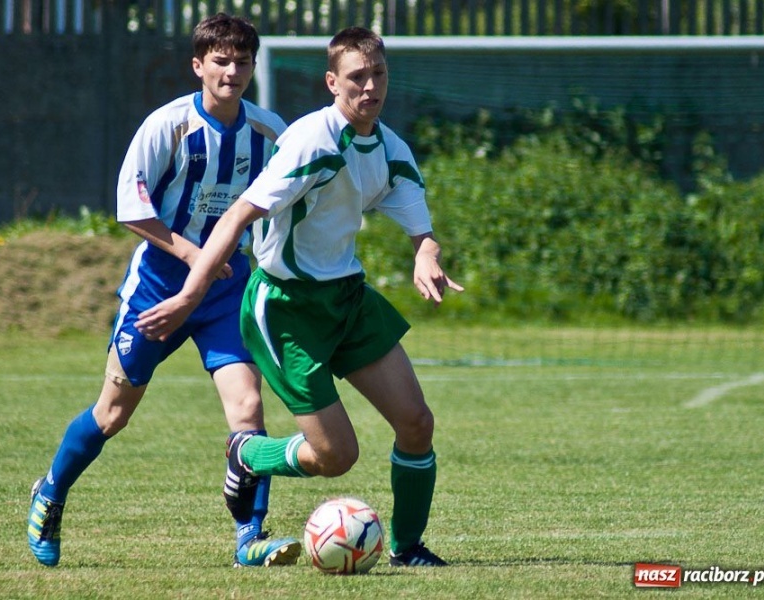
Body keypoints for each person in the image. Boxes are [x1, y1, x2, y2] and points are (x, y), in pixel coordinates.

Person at [134, 26, 463, 567]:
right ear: (332, 83)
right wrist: (191, 293)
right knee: (337, 457)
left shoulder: (388, 146)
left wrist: (426, 252)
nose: (370, 87)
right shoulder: (312, 141)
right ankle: (249, 454)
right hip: (285, 309)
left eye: (378, 74)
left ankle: (407, 548)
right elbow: (240, 213)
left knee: (417, 423)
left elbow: (418, 225)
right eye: (357, 77)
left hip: (347, 299)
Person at [26, 13, 301, 568]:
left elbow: (290, 204)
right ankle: (50, 492)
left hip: (227, 292)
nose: (232, 72)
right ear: (198, 65)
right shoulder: (167, 126)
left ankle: (250, 538)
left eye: (242, 62)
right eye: (220, 61)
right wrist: (194, 254)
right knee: (113, 414)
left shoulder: (271, 131)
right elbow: (132, 208)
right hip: (158, 288)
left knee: (248, 408)